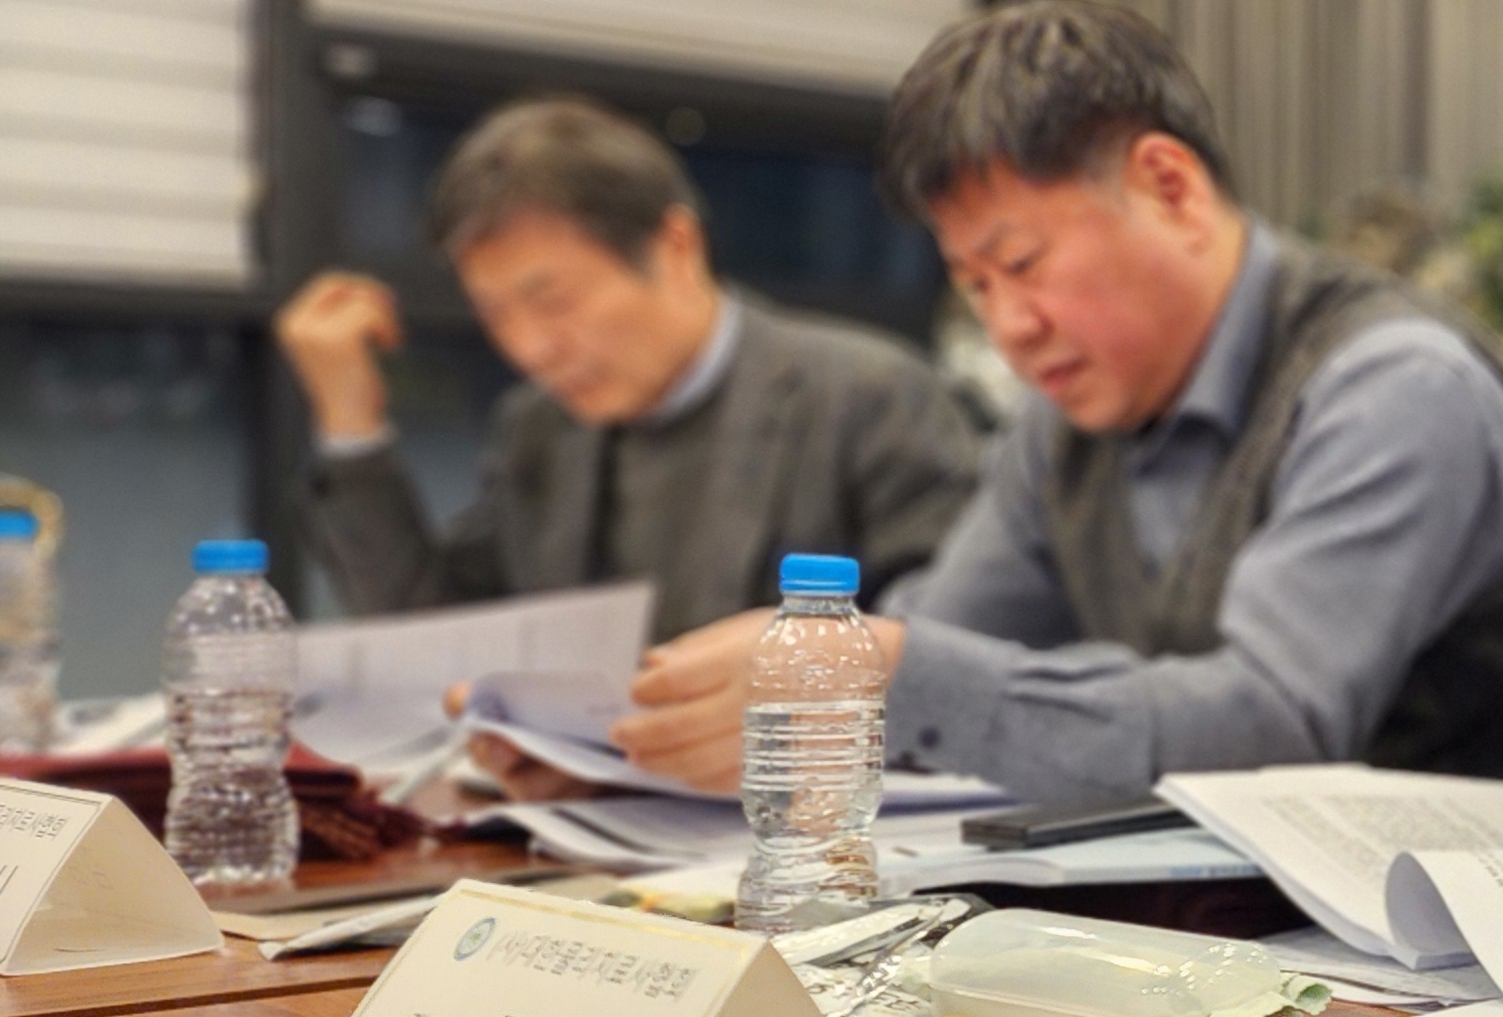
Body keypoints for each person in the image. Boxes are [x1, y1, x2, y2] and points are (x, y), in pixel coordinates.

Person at [603, 0, 1503, 808]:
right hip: (1275, 947)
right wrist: (688, 734)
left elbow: (1273, 723)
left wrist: (895, 675)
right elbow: (945, 641)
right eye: (975, 285)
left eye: (1024, 264)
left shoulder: (1394, 384)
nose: (1010, 325)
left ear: (1171, 189)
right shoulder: (1065, 422)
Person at [283, 96, 980, 641]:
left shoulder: (865, 396)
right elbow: (432, 641)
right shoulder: (538, 430)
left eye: (553, 301)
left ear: (675, 247)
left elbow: (952, 651)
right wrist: (351, 423)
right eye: (495, 315)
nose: (531, 349)